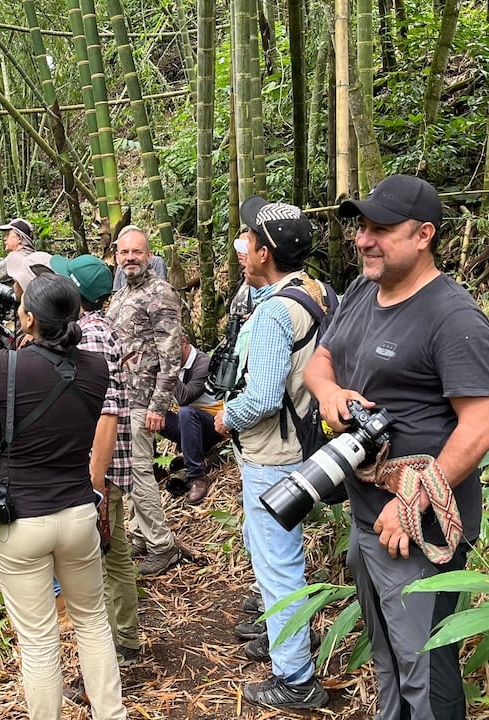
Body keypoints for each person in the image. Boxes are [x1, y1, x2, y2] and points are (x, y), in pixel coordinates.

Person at [307, 174, 489, 720]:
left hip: (419, 528)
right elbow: (323, 358)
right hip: (369, 516)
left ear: (423, 236)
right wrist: (329, 393)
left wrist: (411, 500)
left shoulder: (453, 317)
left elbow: (481, 426)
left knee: (427, 667)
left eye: (382, 230)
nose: (365, 239)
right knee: (388, 656)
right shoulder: (363, 292)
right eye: (362, 227)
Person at [0, 273, 128, 720]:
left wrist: (9, 357)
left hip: (21, 520)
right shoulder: (97, 368)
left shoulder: (7, 366)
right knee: (93, 623)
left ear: (30, 318)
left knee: (39, 640)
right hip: (79, 513)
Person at [212, 195, 336, 710]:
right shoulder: (322, 291)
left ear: (264, 252)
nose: (241, 248)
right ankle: (280, 633)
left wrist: (224, 419)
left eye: (247, 241)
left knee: (277, 563)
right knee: (279, 556)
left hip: (273, 455)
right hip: (310, 444)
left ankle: (295, 679)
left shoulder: (270, 316)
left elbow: (260, 398)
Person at [49, 253, 142, 668]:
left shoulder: (91, 337)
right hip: (105, 467)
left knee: (102, 560)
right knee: (115, 553)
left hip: (99, 469)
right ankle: (124, 640)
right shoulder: (94, 329)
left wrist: (95, 482)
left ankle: (115, 649)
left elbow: (106, 411)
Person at [105, 226, 185, 575]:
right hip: (122, 397)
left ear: (149, 255)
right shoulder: (121, 293)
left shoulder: (160, 293)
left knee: (139, 473)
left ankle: (162, 545)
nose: (130, 259)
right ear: (116, 256)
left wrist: (159, 405)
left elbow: (171, 355)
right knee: (126, 471)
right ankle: (138, 532)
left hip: (144, 399)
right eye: (124, 253)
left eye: (136, 252)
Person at [156, 337, 225, 505]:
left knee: (186, 412)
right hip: (187, 428)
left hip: (213, 426)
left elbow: (184, 397)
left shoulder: (204, 363)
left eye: (170, 350)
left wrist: (167, 370)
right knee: (150, 411)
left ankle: (198, 476)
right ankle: (155, 467)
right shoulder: (174, 366)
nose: (167, 356)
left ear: (184, 342)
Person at [0, 217, 37, 284]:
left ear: (19, 238)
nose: (5, 238)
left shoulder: (16, 258)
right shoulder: (35, 257)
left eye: (8, 234)